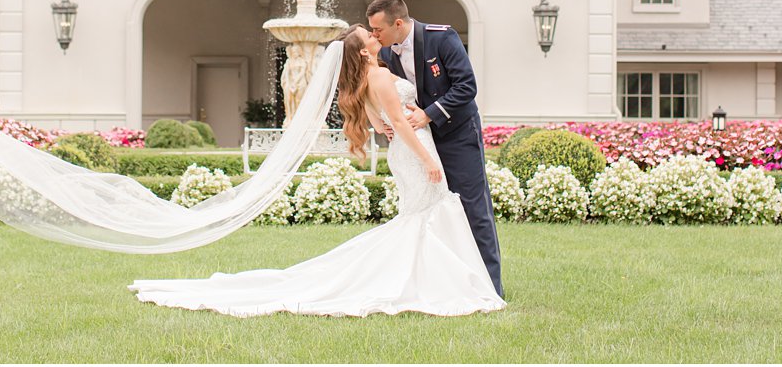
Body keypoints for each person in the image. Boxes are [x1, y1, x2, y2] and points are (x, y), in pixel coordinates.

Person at [129, 25, 505, 317]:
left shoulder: (365, 80)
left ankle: (443, 278)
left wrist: (389, 128)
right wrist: (424, 157)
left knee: (421, 216)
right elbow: (399, 124)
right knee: (424, 216)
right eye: (368, 35)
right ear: (363, 50)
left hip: (408, 152)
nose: (374, 36)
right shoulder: (376, 76)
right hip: (416, 152)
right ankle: (443, 282)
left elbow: (378, 123)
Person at [364, 0, 503, 298]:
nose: (374, 35)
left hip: (457, 135)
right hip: (420, 144)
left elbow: (466, 86)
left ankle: (492, 287)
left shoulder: (442, 38)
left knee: (472, 207)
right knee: (435, 212)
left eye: (378, 30)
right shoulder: (385, 55)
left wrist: (429, 114)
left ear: (398, 23)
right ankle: (444, 285)